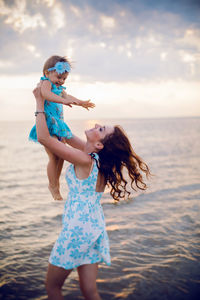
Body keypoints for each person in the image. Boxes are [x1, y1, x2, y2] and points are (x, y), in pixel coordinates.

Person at [33, 83, 150, 300]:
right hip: (94, 227)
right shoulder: (94, 160)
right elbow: (65, 136)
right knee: (90, 291)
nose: (96, 125)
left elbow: (44, 139)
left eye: (101, 129)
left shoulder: (85, 160)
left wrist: (39, 102)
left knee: (52, 288)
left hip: (77, 230)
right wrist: (56, 103)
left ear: (100, 146)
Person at [29, 55, 95, 201]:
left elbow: (68, 95)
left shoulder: (58, 87)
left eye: (64, 79)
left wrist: (80, 102)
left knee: (60, 156)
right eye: (59, 77)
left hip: (58, 125)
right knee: (53, 156)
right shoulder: (45, 83)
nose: (61, 81)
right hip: (47, 124)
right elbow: (46, 95)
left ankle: (56, 184)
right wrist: (63, 101)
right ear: (47, 73)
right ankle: (53, 185)